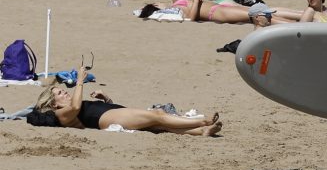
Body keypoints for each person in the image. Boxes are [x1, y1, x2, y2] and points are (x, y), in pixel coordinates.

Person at [27, 67, 222, 136]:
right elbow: (77, 107)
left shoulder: (67, 108)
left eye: (63, 90)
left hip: (109, 114)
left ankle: (201, 131)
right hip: (106, 119)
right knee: (159, 115)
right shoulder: (60, 114)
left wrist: (106, 99)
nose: (65, 93)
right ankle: (201, 121)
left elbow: (86, 107)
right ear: (53, 103)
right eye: (60, 93)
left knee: (159, 126)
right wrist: (79, 81)